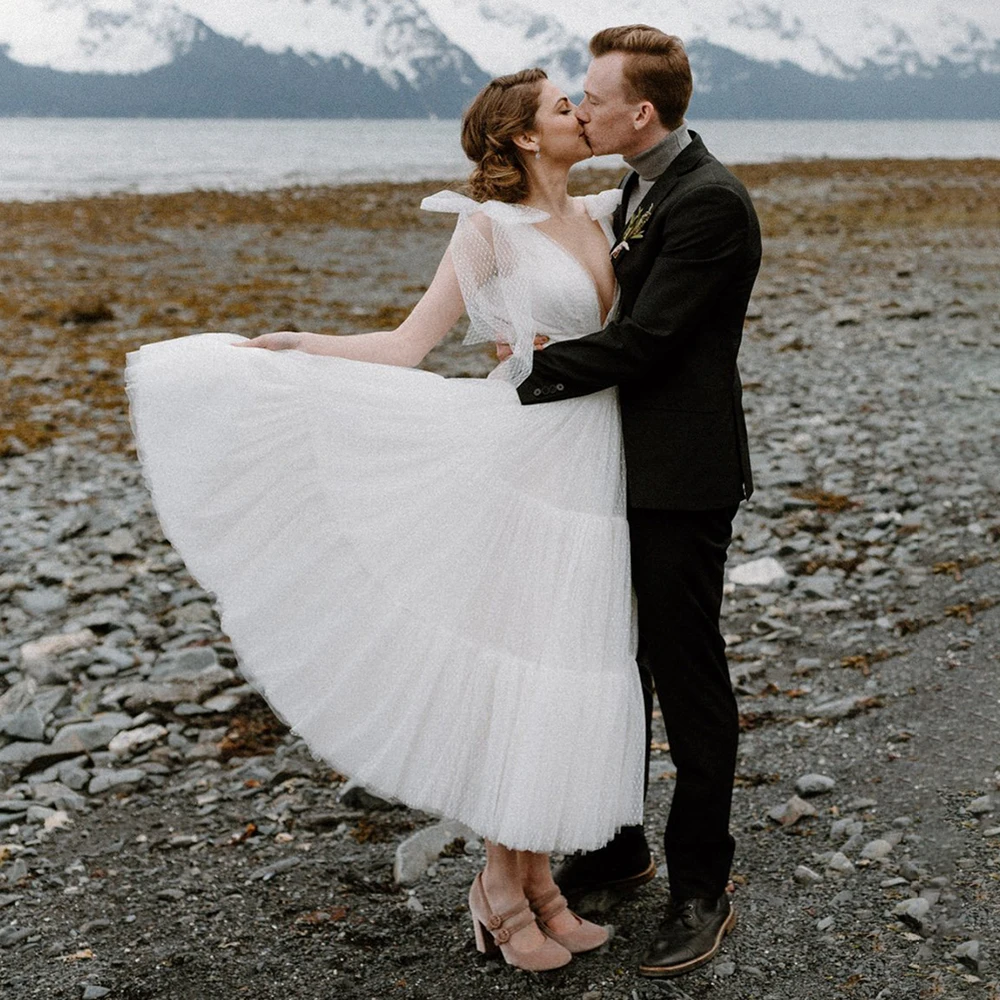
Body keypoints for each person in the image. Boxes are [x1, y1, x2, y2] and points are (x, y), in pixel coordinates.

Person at [125, 69, 645, 973]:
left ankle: (540, 883)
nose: (581, 112)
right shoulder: (487, 227)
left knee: (562, 662)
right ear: (524, 137)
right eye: (565, 105)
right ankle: (499, 889)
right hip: (518, 459)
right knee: (511, 662)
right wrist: (297, 348)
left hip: (593, 464)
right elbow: (408, 345)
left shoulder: (601, 212)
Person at [509, 26, 762, 979]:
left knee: (687, 672)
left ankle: (702, 885)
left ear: (640, 112)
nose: (580, 107)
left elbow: (647, 342)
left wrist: (528, 374)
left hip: (682, 479)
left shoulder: (711, 204)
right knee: (613, 661)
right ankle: (619, 846)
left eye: (592, 96)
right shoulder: (640, 187)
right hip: (619, 468)